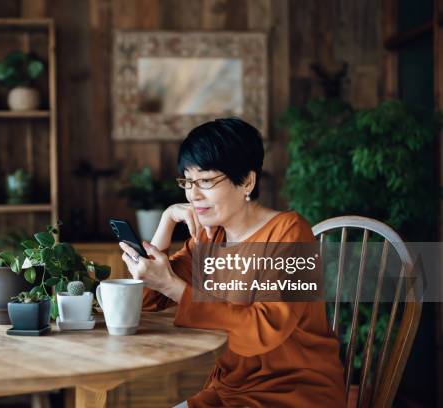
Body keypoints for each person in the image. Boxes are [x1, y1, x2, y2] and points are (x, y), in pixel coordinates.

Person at [119, 118, 345, 407]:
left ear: (247, 182)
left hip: (294, 393)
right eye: (188, 182)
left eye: (205, 181)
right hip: (230, 391)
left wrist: (175, 288)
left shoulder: (291, 233)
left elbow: (264, 329)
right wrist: (166, 222)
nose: (193, 194)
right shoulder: (211, 238)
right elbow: (148, 298)